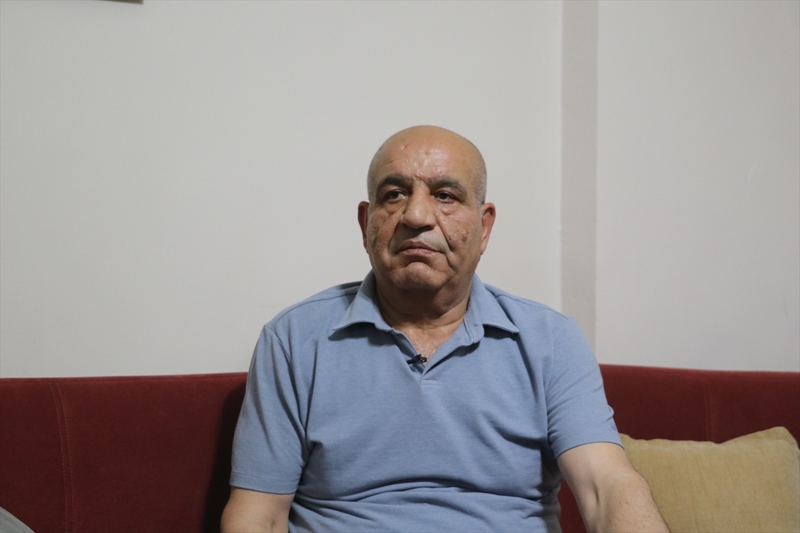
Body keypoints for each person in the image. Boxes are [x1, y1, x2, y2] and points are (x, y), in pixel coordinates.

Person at [221, 126, 669, 533]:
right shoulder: (293, 339)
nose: (417, 215)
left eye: (445, 195)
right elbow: (259, 515)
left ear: (484, 225)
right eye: (395, 194)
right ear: (365, 222)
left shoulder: (551, 340)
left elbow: (606, 488)